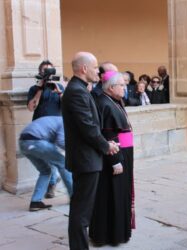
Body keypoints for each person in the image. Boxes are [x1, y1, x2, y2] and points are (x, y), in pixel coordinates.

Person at [62, 52, 119, 250]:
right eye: (95, 67)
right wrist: (106, 145)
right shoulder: (76, 91)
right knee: (81, 211)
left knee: (82, 208)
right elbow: (87, 126)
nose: (98, 71)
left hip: (86, 158)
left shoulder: (79, 88)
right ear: (84, 69)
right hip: (85, 159)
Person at [89, 71, 135, 246]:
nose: (125, 88)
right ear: (111, 87)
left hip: (123, 154)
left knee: (120, 194)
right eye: (122, 85)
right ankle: (109, 235)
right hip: (115, 156)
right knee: (112, 196)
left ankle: (118, 232)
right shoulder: (105, 104)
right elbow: (108, 134)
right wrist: (115, 160)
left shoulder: (115, 101)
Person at [19, 116, 73, 211]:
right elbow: (61, 141)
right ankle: (75, 197)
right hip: (36, 141)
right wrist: (74, 152)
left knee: (45, 171)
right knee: (63, 164)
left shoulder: (55, 119)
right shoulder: (65, 122)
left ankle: (35, 202)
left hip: (23, 143)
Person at [27, 60, 64, 199]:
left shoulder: (59, 86)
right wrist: (40, 89)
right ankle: (53, 180)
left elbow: (68, 106)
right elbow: (31, 107)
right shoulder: (34, 88)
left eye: (50, 71)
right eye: (45, 71)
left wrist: (60, 93)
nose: (48, 74)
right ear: (40, 72)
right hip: (39, 129)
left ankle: (52, 183)